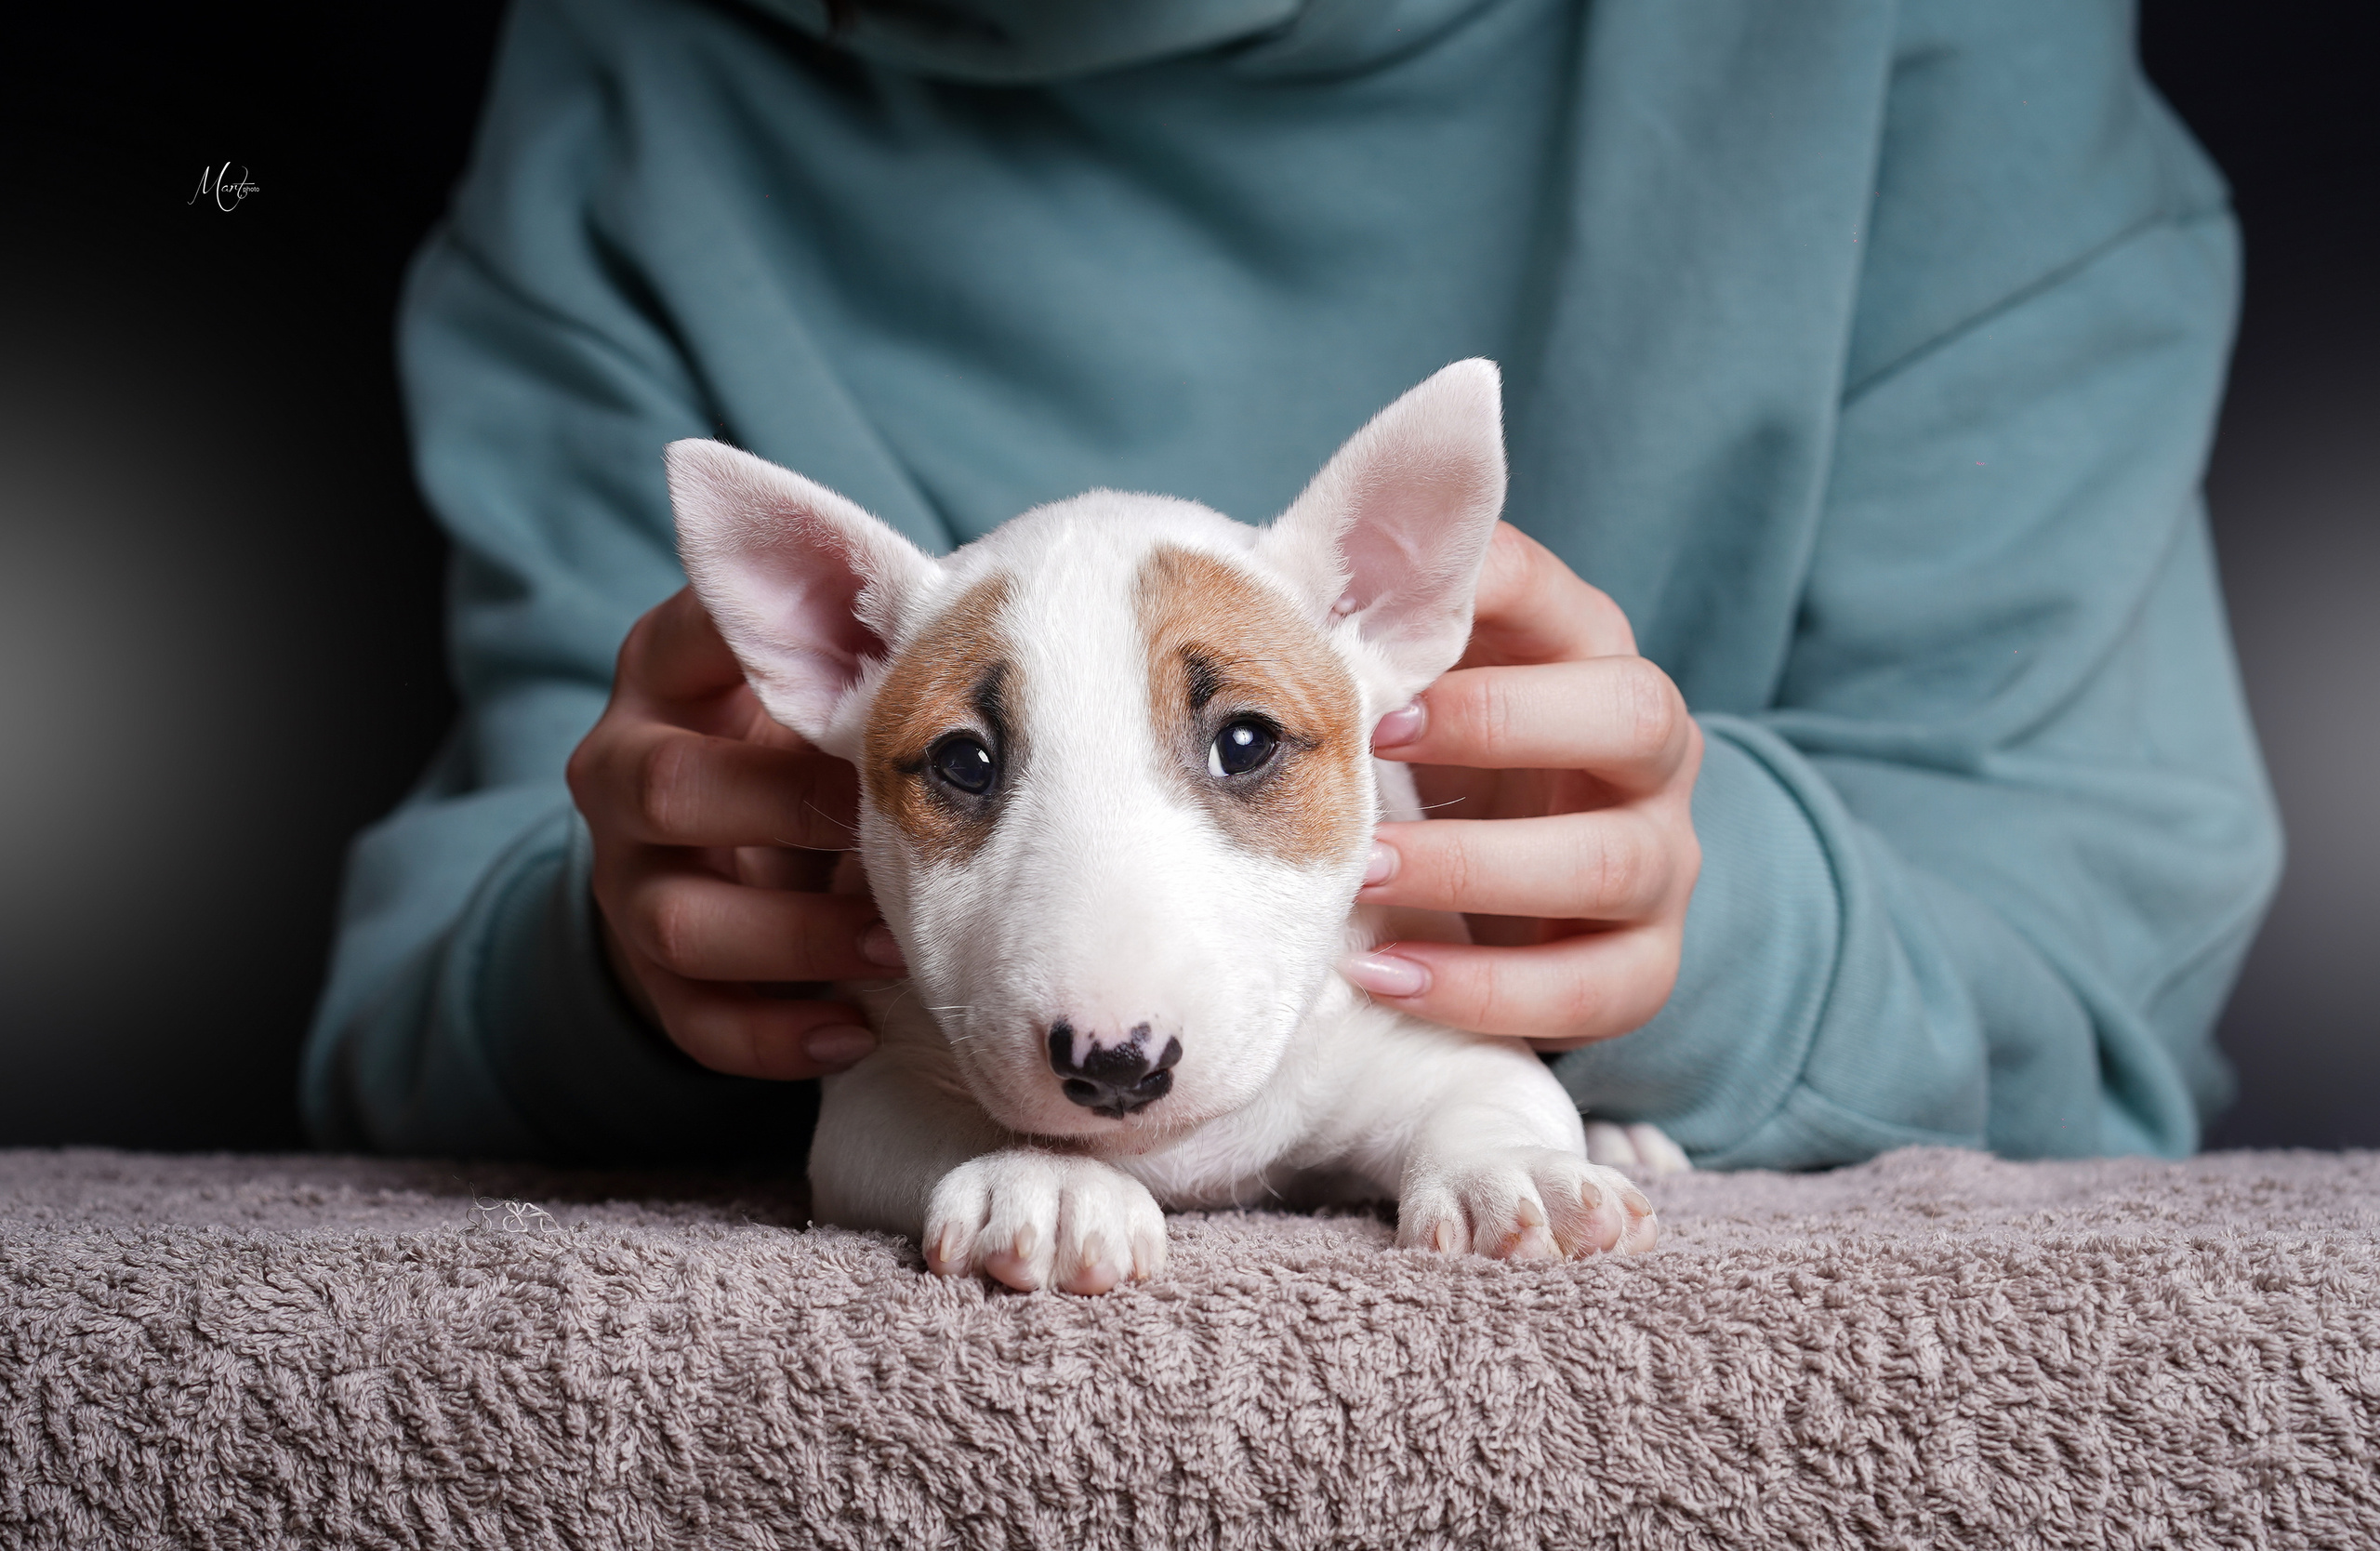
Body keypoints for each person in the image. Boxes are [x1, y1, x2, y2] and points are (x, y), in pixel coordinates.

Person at [303, 0, 2282, 1171]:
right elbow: (402, 1027)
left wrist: (1704, 921)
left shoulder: (1925, 65)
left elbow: (2105, 1000)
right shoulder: (616, 99)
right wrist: (625, 950)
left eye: (1246, 742)